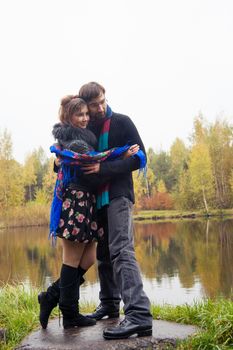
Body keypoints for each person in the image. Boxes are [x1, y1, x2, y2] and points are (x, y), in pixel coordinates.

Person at [38, 95, 139, 329]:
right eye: (79, 115)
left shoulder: (80, 136)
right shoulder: (76, 142)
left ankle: (51, 297)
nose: (84, 119)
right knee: (72, 260)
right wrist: (120, 154)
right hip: (76, 201)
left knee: (89, 257)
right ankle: (70, 314)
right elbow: (91, 160)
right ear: (69, 117)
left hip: (87, 202)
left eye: (86, 114)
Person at [79, 82, 153, 339]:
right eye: (94, 105)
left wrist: (104, 168)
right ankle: (110, 304)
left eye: (102, 101)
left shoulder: (122, 122)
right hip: (96, 199)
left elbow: (140, 156)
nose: (100, 107)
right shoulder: (86, 127)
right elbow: (74, 156)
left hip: (119, 195)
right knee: (104, 253)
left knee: (122, 250)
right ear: (85, 106)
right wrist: (58, 163)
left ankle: (139, 315)